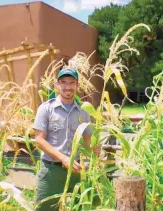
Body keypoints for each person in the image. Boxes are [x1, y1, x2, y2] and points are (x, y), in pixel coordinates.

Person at [33, 68, 99, 211]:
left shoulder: (84, 110)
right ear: (57, 85)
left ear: (77, 86)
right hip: (51, 169)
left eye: (71, 83)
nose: (67, 87)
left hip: (76, 170)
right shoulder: (46, 109)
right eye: (63, 82)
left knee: (82, 206)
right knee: (45, 208)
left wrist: (94, 148)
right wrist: (63, 158)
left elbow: (87, 138)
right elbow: (39, 140)